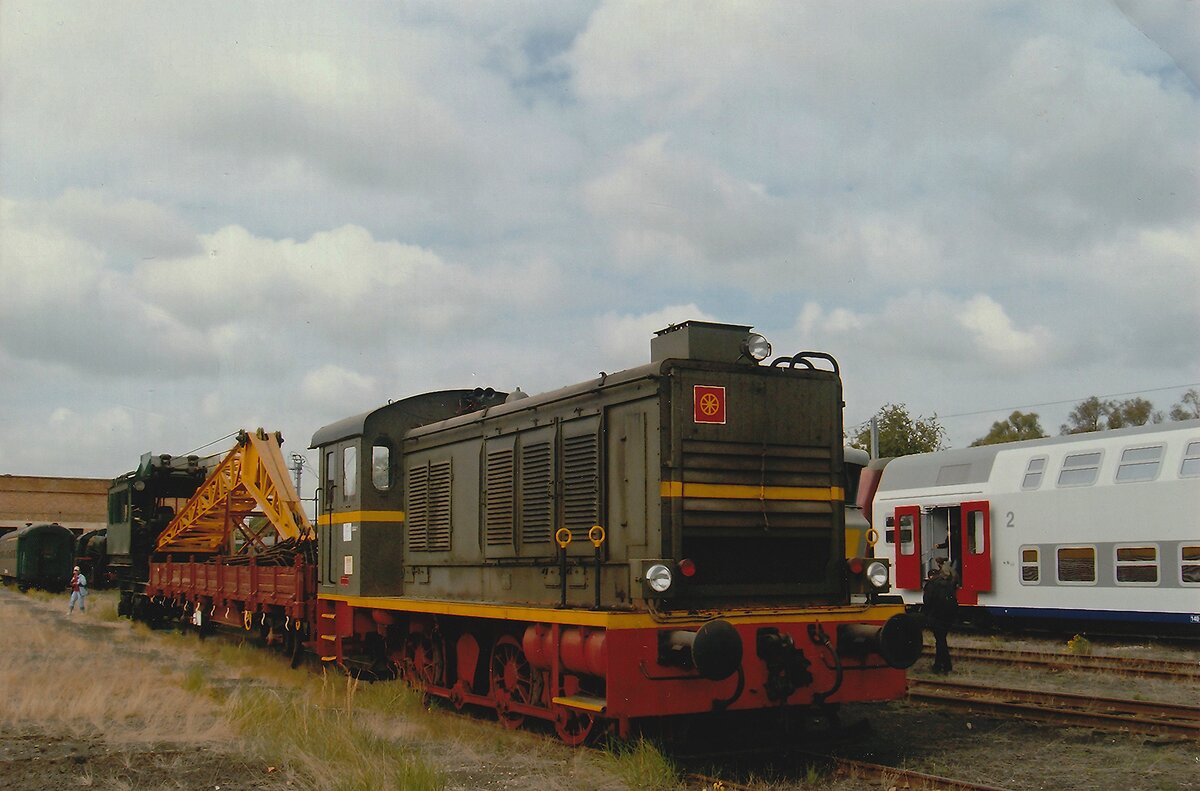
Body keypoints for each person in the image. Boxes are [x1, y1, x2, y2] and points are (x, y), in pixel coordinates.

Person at [922, 560, 957, 673]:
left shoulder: (931, 585)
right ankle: (942, 665)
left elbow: (927, 601)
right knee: (941, 640)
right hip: (948, 615)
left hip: (936, 616)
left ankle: (944, 666)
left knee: (940, 640)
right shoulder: (947, 584)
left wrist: (928, 615)